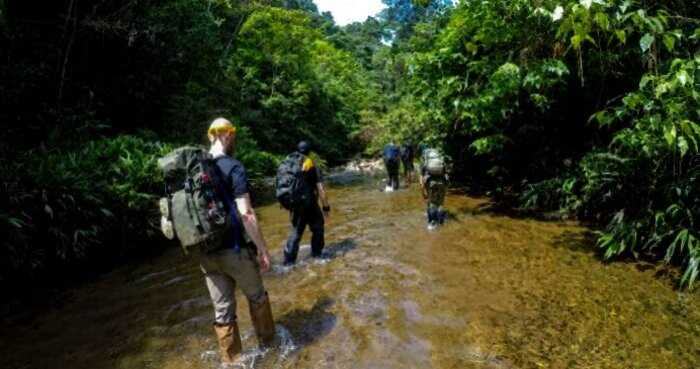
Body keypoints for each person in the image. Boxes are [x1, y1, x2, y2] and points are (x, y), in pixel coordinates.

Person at [201, 118, 275, 364]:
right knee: (257, 297)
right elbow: (246, 213)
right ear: (227, 136)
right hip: (233, 249)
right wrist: (263, 249)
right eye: (233, 136)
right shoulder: (234, 167)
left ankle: (232, 361)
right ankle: (270, 348)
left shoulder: (196, 169)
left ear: (210, 136)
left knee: (223, 312)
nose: (234, 141)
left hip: (205, 253)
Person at [283, 141, 331, 265]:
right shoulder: (312, 165)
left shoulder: (289, 164)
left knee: (296, 232)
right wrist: (326, 207)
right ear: (309, 152)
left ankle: (288, 262)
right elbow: (320, 189)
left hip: (295, 204)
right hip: (310, 204)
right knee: (318, 228)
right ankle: (317, 255)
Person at [419, 148, 448, 230]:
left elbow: (421, 179)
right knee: (440, 203)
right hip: (441, 184)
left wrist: (423, 190)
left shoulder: (425, 163)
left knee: (432, 203)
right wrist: (446, 187)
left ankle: (432, 223)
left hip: (431, 184)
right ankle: (441, 222)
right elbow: (446, 175)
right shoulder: (441, 161)